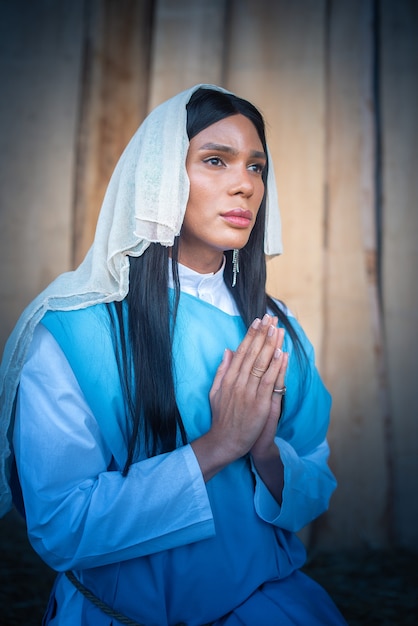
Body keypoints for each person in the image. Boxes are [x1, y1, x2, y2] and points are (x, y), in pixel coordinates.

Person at [0, 84, 347, 625]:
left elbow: (317, 483)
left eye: (257, 168)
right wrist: (216, 447)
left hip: (264, 605)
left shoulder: (277, 328)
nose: (245, 186)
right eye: (216, 161)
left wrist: (264, 454)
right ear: (158, 177)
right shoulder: (72, 330)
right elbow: (62, 525)